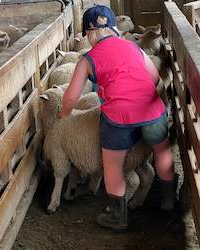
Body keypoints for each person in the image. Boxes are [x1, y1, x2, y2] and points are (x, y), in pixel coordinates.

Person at [58, 5, 177, 232]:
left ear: (91, 32)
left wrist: (64, 115)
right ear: (113, 28)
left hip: (118, 117)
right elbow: (157, 81)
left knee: (113, 163)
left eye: (87, 34)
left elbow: (71, 97)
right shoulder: (134, 47)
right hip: (151, 110)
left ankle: (117, 216)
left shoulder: (87, 59)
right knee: (161, 151)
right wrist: (161, 107)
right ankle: (168, 200)